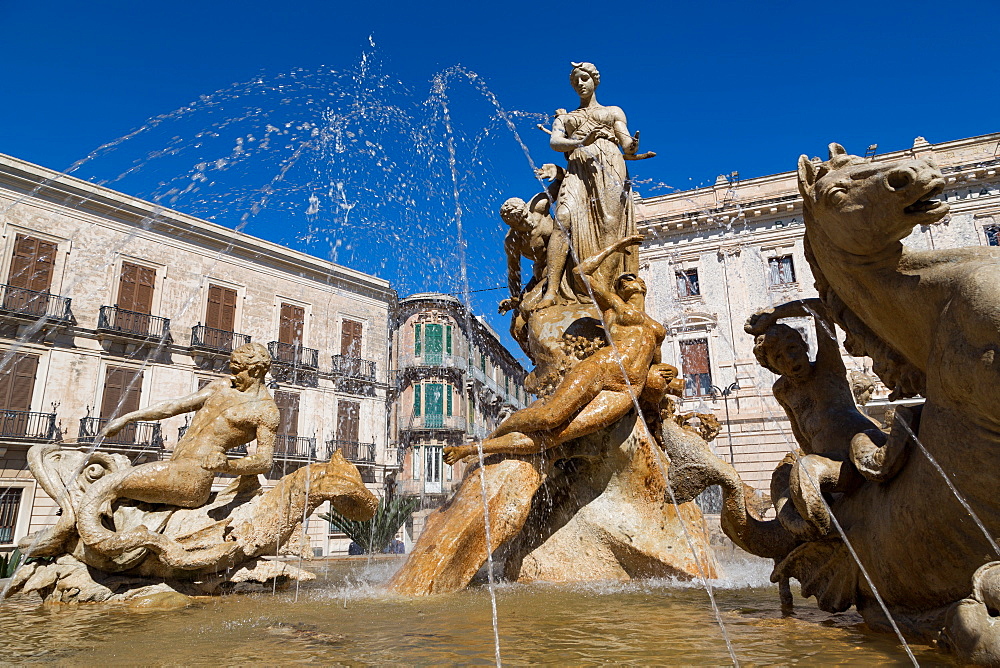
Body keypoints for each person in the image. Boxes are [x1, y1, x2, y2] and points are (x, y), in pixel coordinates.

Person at [444, 235, 665, 463]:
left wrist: (671, 374)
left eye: (629, 279)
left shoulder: (656, 327)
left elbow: (655, 361)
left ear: (642, 285)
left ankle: (478, 450)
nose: (624, 283)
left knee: (555, 436)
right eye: (620, 282)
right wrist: (617, 246)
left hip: (626, 390)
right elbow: (580, 273)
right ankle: (480, 445)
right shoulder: (616, 307)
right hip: (603, 366)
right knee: (550, 416)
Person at [75, 342, 281, 565]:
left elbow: (264, 461)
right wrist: (129, 418)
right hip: (174, 466)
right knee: (101, 482)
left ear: (256, 370)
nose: (232, 374)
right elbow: (174, 406)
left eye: (236, 369)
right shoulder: (222, 386)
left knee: (108, 484)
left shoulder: (265, 411)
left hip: (192, 477)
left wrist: (227, 465)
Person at [549, 62, 651, 295]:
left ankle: (604, 290)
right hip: (578, 165)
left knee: (609, 224)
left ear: (595, 80)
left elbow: (625, 142)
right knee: (563, 219)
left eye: (584, 78)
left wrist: (632, 146)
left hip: (610, 163)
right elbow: (555, 142)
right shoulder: (566, 118)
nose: (579, 84)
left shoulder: (613, 111)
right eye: (575, 81)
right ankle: (551, 291)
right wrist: (580, 142)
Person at [498, 163, 571, 316]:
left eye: (525, 215)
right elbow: (514, 272)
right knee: (518, 322)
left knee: (527, 309)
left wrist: (556, 171)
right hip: (543, 272)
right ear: (514, 226)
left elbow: (566, 180)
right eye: (521, 223)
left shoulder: (539, 205)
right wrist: (515, 298)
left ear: (526, 207)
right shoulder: (513, 241)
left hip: (569, 258)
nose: (528, 221)